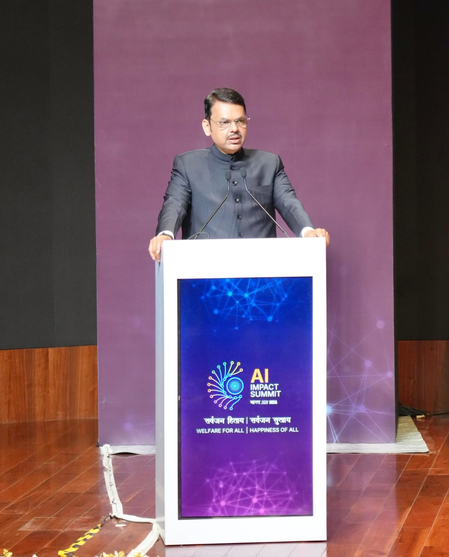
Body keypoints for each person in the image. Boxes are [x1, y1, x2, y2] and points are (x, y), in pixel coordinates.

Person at [149, 88, 329, 262]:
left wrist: (308, 232)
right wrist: (165, 234)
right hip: (206, 270)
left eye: (240, 121)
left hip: (263, 270)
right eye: (224, 122)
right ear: (207, 126)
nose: (234, 129)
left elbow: (288, 202)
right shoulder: (188, 165)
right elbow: (175, 204)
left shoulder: (269, 163)